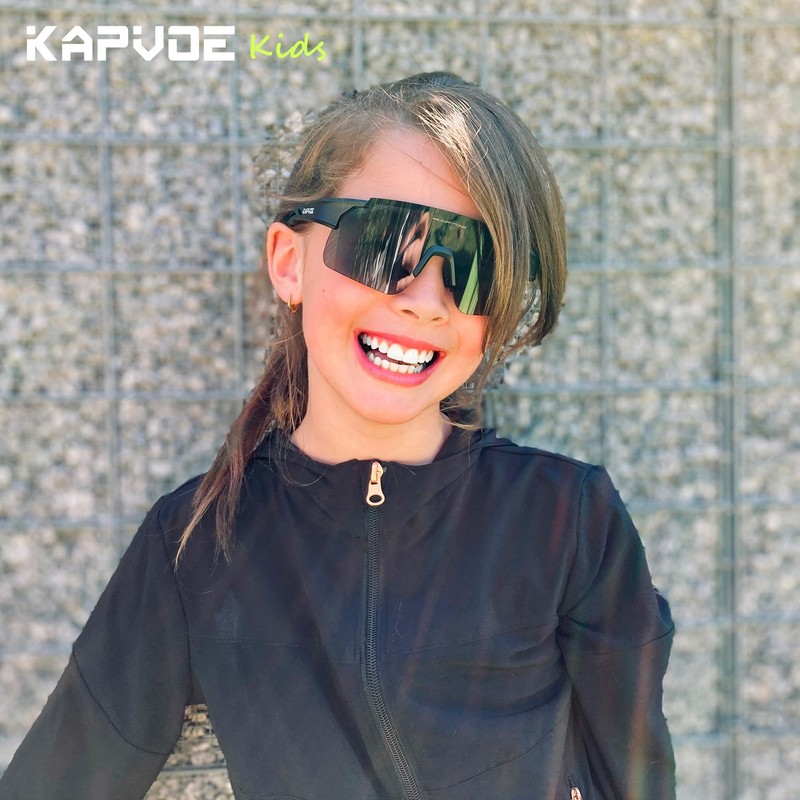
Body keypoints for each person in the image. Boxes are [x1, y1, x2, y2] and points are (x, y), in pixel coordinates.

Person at [0, 72, 675, 800]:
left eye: (474, 265)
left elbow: (634, 780)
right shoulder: (196, 544)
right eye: (384, 243)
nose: (424, 302)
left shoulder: (569, 520)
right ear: (289, 263)